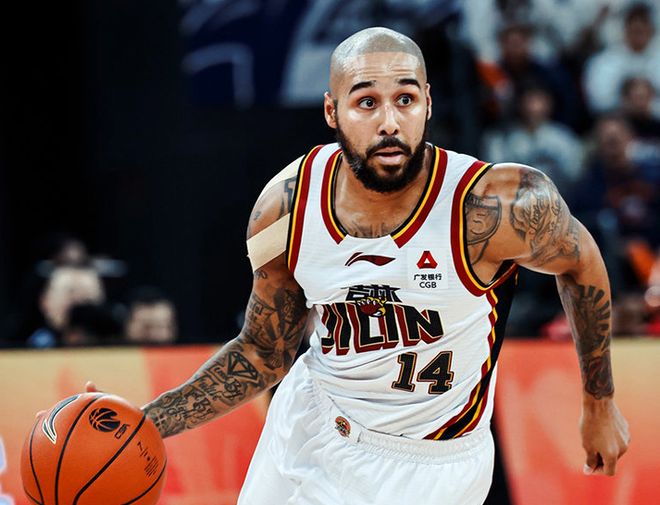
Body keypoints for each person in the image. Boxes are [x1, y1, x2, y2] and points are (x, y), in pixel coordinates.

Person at [90, 27, 629, 504]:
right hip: (310, 420)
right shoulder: (285, 208)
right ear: (332, 112)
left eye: (405, 99)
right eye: (366, 102)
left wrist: (599, 401)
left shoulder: (496, 204)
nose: (389, 121)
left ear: (428, 103)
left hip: (430, 466)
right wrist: (148, 422)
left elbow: (581, 264)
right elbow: (263, 350)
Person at [27, 264, 105, 348]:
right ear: (45, 301)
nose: (75, 302)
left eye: (86, 296)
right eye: (67, 293)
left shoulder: (108, 340)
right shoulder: (35, 344)